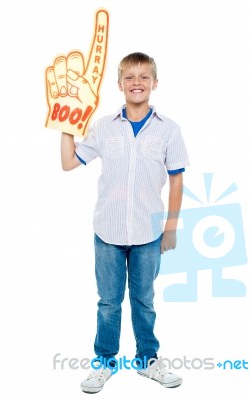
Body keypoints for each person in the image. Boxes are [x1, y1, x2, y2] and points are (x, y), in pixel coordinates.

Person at [61, 52, 189, 393]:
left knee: (144, 300)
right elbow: (69, 163)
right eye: (130, 77)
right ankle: (104, 363)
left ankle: (148, 360)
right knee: (108, 302)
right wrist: (66, 127)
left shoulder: (169, 130)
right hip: (108, 231)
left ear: (155, 83)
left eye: (144, 77)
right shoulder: (104, 126)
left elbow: (176, 180)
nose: (137, 82)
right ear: (120, 85)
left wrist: (171, 228)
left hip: (148, 233)